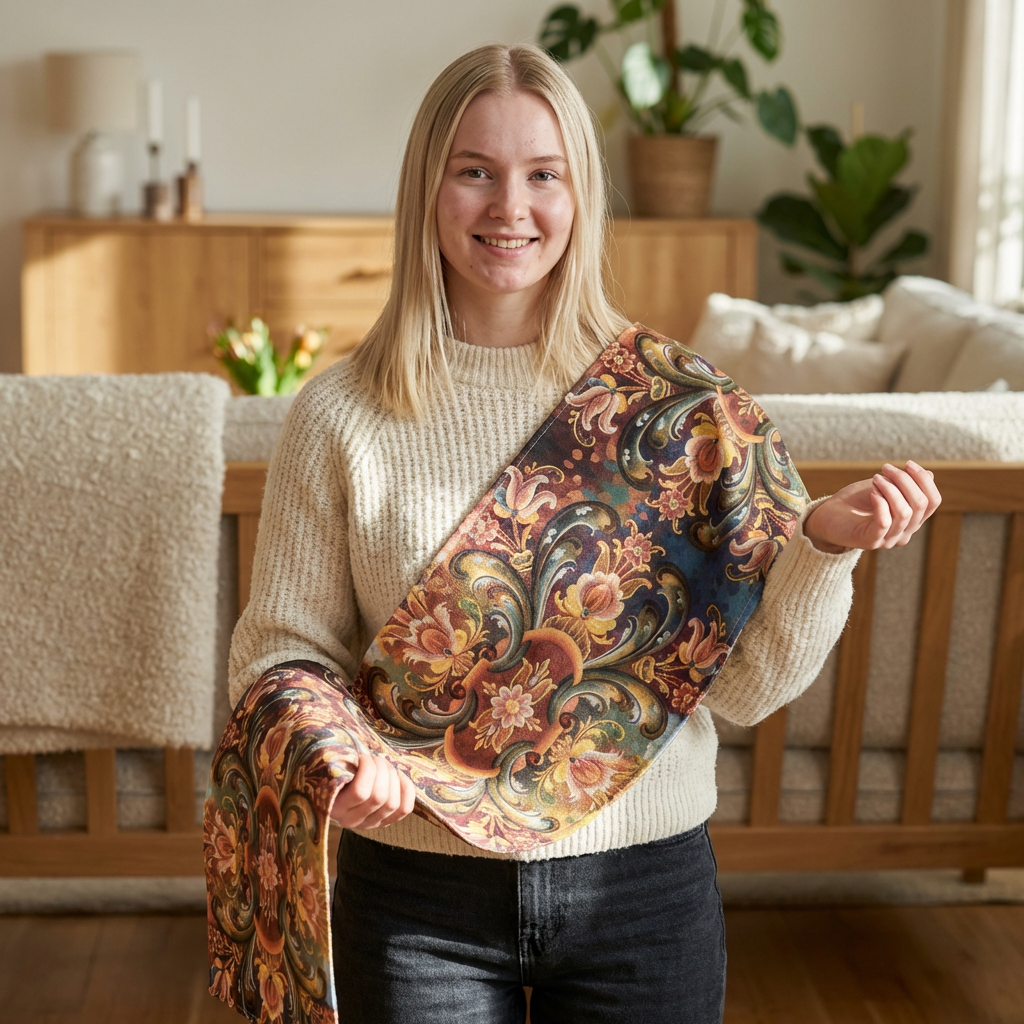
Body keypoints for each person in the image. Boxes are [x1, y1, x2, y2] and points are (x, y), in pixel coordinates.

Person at [228, 43, 941, 1024]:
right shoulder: (340, 415)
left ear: (581, 194)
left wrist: (821, 543)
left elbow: (742, 687)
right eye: (473, 170)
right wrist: (334, 752)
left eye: (542, 174)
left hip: (642, 885)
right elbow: (283, 647)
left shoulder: (677, 413)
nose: (507, 208)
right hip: (414, 888)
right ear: (426, 190)